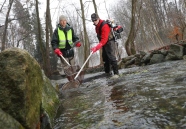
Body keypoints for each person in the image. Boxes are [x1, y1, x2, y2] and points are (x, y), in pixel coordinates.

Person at [90, 13, 119, 79]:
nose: (94, 21)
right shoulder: (96, 27)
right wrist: (97, 46)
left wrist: (96, 48)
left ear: (98, 18)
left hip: (109, 42)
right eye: (93, 20)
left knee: (111, 57)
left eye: (95, 20)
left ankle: (116, 73)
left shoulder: (104, 26)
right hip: (104, 43)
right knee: (105, 58)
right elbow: (101, 39)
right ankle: (107, 73)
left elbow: (104, 39)